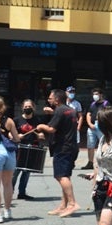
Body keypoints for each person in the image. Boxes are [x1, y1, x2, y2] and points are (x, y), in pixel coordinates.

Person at [34, 89, 81, 217]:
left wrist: (41, 126)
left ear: (57, 99)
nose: (49, 100)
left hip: (63, 148)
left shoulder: (60, 111)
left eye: (50, 98)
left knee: (60, 176)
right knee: (65, 176)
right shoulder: (70, 110)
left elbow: (51, 129)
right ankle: (63, 205)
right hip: (72, 147)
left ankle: (72, 204)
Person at [12, 99, 44, 200]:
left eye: (29, 106)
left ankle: (22, 193)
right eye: (25, 107)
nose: (27, 108)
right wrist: (16, 136)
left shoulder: (37, 120)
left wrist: (41, 135)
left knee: (26, 173)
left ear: (33, 108)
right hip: (19, 148)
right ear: (22, 108)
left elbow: (41, 134)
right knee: (15, 172)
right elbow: (9, 133)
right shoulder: (16, 120)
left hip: (32, 148)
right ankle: (10, 192)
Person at [0, 97, 21, 223]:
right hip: (9, 152)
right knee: (7, 184)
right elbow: (17, 139)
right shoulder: (9, 121)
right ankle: (7, 211)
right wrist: (12, 137)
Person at [81, 88, 109, 170]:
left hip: (101, 126)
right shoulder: (93, 104)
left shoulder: (106, 103)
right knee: (90, 145)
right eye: (94, 94)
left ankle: (103, 162)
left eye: (96, 94)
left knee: (103, 144)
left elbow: (108, 114)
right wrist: (89, 123)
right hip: (91, 126)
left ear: (101, 94)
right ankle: (90, 162)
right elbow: (88, 114)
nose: (95, 96)